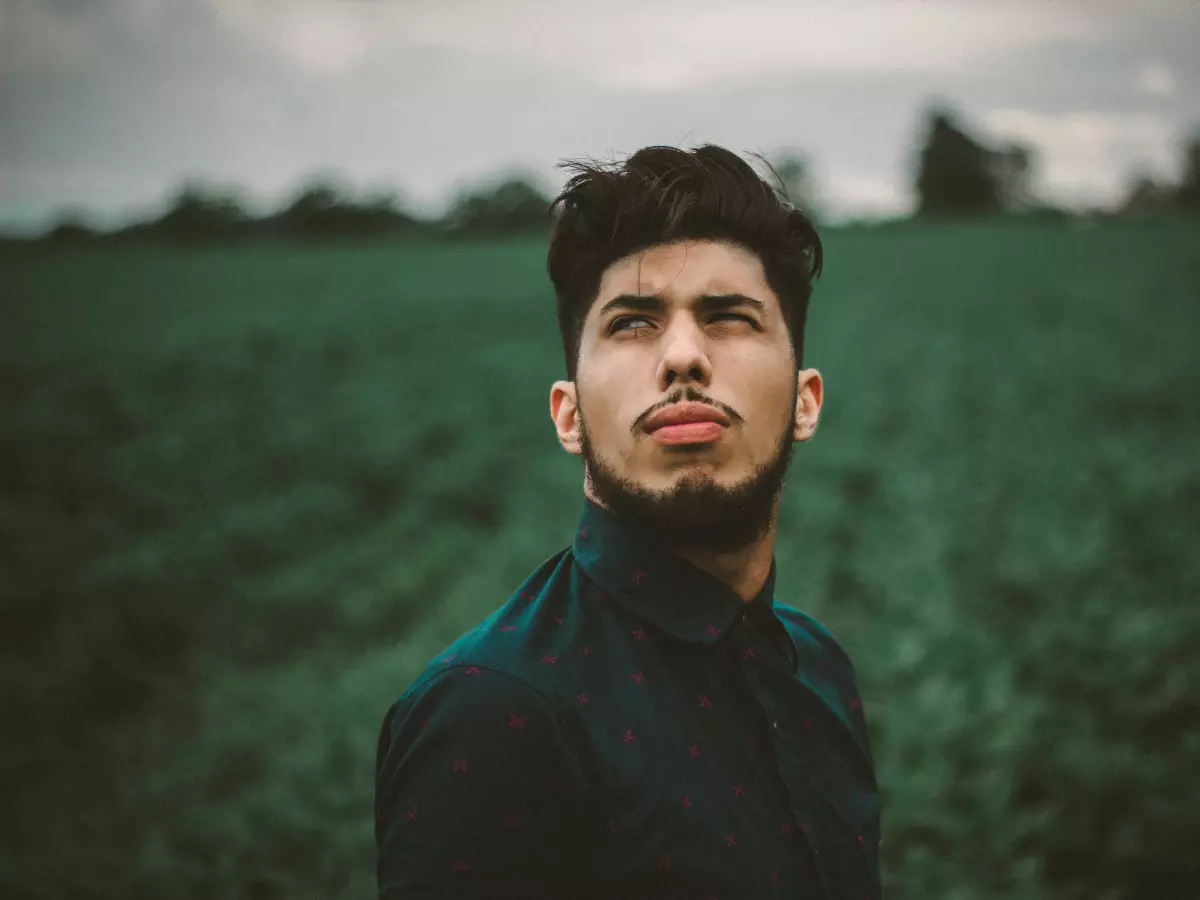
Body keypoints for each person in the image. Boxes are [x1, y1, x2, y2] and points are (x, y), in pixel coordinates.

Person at [375, 144, 881, 899]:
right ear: (568, 413)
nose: (683, 357)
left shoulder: (819, 669)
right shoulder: (494, 712)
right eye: (633, 324)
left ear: (805, 401)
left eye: (730, 318)